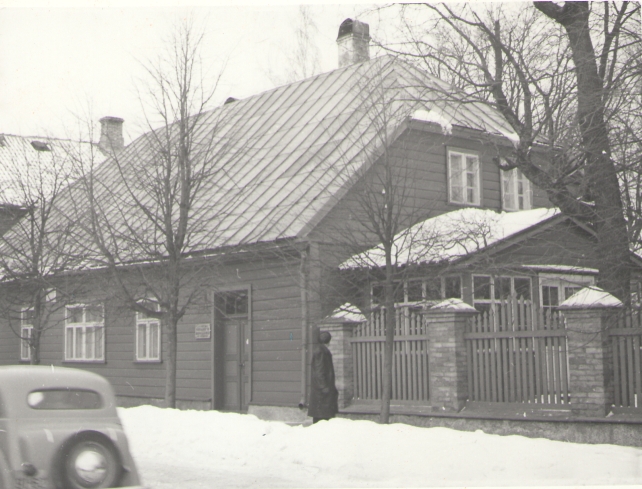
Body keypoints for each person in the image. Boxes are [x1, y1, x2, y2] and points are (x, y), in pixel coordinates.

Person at [307, 330, 339, 423]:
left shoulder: (321, 350)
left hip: (322, 392)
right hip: (322, 393)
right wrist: (324, 387)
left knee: (323, 418)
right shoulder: (321, 352)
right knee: (321, 419)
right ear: (328, 341)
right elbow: (319, 372)